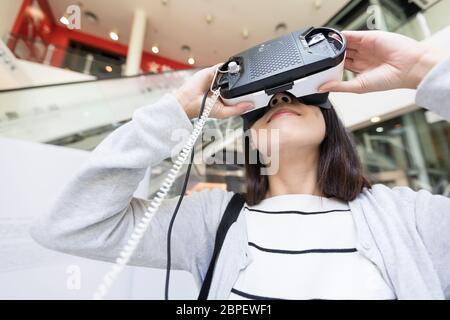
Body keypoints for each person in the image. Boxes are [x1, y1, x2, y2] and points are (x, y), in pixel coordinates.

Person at [30, 30, 450, 299]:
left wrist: (422, 70)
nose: (281, 99)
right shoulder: (213, 222)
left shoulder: (411, 216)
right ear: (248, 137)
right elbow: (67, 227)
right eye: (263, 103)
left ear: (330, 121)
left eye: (299, 96)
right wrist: (176, 108)